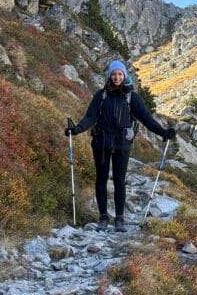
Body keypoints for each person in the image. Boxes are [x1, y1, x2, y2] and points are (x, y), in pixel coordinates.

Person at [65, 60, 176, 231]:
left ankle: (119, 219)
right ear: (110, 75)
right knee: (101, 179)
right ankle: (103, 217)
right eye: (114, 74)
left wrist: (163, 132)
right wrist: (77, 129)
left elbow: (146, 119)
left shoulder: (133, 97)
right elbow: (90, 117)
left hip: (122, 143)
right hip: (101, 142)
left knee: (119, 181)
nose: (117, 77)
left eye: (120, 74)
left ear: (125, 76)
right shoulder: (101, 95)